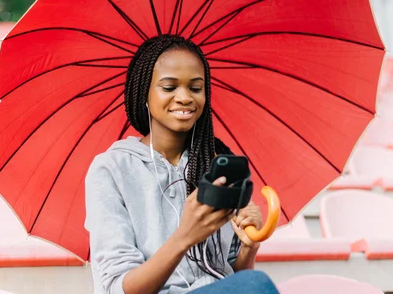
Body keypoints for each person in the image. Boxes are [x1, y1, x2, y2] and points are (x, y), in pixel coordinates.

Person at [85, 35, 279, 294]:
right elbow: (117, 288)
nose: (185, 97)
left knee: (253, 284)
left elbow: (234, 279)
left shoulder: (214, 166)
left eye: (196, 88)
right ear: (144, 91)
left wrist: (249, 246)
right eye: (169, 87)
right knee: (257, 285)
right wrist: (185, 237)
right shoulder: (112, 169)